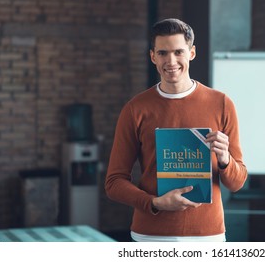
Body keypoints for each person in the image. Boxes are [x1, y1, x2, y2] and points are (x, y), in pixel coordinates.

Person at [105, 18, 247, 242]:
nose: (171, 61)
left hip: (208, 236)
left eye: (178, 52)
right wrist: (155, 203)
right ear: (153, 56)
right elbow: (114, 183)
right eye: (162, 53)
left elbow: (237, 183)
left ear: (191, 53)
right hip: (151, 236)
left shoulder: (222, 104)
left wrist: (224, 159)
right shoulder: (135, 109)